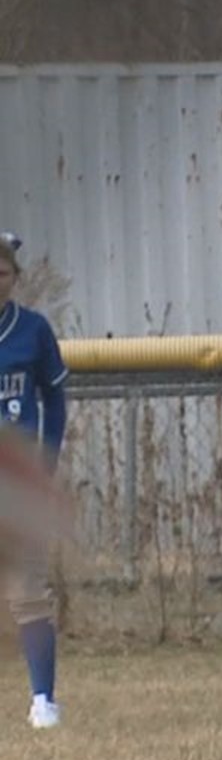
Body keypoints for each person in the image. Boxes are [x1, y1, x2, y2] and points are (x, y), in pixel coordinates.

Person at [0, 235, 70, 728]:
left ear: (14, 278)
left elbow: (56, 400)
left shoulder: (33, 330)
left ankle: (43, 699)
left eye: (1, 273)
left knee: (27, 591)